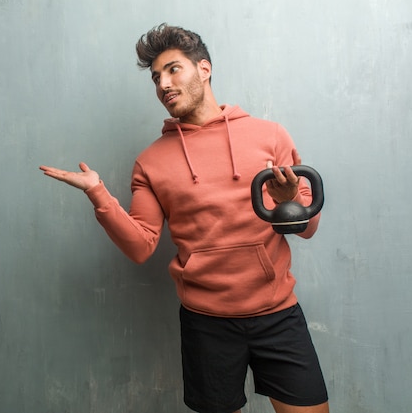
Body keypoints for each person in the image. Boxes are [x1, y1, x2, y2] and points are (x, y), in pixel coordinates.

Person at [39, 23, 329, 413]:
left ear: (204, 69)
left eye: (173, 69)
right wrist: (98, 194)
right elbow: (141, 246)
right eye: (156, 77)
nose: (163, 84)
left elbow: (307, 228)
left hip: (278, 315)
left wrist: (289, 199)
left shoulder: (270, 136)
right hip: (206, 324)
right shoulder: (151, 162)